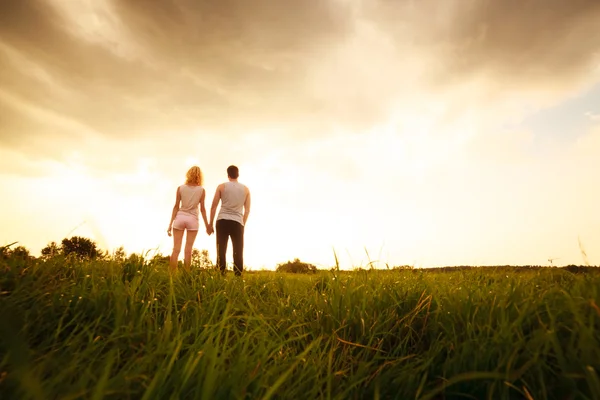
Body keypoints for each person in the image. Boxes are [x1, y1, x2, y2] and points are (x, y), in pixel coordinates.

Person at [167, 166, 211, 272]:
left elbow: (176, 206)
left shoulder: (180, 188)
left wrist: (170, 224)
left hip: (180, 218)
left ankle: (172, 276)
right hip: (193, 220)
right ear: (200, 176)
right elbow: (203, 209)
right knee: (188, 250)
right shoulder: (201, 190)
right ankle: (186, 275)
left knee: (176, 249)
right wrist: (207, 226)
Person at [209, 165, 251, 276]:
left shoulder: (221, 187)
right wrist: (242, 224)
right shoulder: (246, 189)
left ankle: (220, 275)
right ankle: (238, 277)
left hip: (222, 220)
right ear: (238, 174)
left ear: (228, 175)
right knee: (238, 251)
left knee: (221, 250)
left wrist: (210, 224)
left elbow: (213, 206)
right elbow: (247, 210)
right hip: (237, 222)